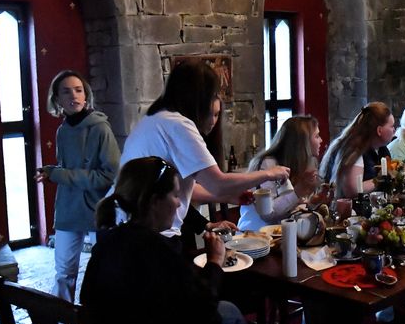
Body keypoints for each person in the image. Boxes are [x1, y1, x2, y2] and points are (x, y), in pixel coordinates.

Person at [81, 157, 320, 324]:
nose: (178, 204)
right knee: (227, 314)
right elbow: (205, 312)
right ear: (154, 201)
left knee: (227, 311)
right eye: (175, 195)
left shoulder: (109, 241)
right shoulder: (155, 250)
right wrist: (215, 261)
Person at [116, 61, 290, 246]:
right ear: (198, 98)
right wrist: (268, 173)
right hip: (144, 233)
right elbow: (217, 183)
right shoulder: (178, 125)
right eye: (212, 95)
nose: (214, 117)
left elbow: (188, 188)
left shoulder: (156, 119)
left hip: (125, 227)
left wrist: (226, 197)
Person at [35, 70, 119, 302]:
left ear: (86, 95)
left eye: (78, 90)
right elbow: (68, 168)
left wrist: (59, 174)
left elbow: (109, 175)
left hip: (98, 208)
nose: (74, 95)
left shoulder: (100, 128)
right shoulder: (63, 131)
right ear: (57, 99)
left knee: (105, 270)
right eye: (66, 91)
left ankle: (99, 318)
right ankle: (64, 321)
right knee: (63, 273)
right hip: (69, 207)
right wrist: (52, 172)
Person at [237, 115, 324, 232]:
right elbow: (268, 214)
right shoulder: (267, 166)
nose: (321, 140)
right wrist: (297, 192)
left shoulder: (301, 164)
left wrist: (313, 202)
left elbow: (291, 210)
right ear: (303, 142)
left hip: (282, 235)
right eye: (317, 136)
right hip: (254, 236)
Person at [319, 102, 395, 198]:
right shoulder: (354, 150)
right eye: (391, 126)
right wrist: (381, 180)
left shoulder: (382, 150)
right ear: (379, 130)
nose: (394, 130)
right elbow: (352, 189)